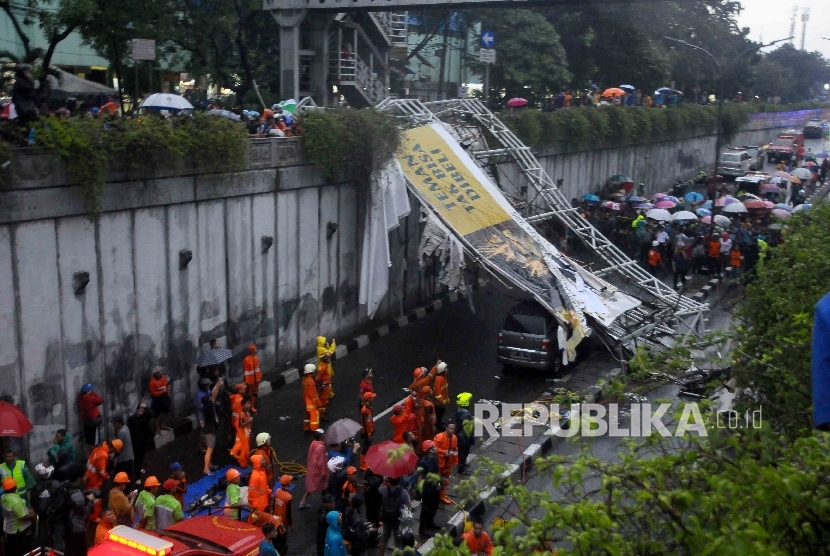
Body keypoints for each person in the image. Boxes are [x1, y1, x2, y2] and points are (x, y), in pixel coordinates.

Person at [377, 477, 411, 554]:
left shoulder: (385, 489)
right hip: (397, 519)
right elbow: (409, 506)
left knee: (384, 537)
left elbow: (379, 489)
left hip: (386, 517)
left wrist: (385, 481)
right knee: (398, 541)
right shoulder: (403, 492)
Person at [2, 476, 35, 554]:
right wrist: (33, 515)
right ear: (15, 487)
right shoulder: (15, 501)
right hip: (18, 531)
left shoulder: (4, 498)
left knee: (11, 550)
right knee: (21, 550)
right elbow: (22, 517)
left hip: (9, 529)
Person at [416, 441, 440, 538]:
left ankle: (430, 522)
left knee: (434, 506)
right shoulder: (423, 462)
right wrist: (421, 490)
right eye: (433, 447)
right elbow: (420, 477)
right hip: (427, 489)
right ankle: (423, 529)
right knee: (426, 509)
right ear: (429, 450)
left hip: (434, 487)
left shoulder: (435, 458)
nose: (435, 448)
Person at [300, 429, 329, 509]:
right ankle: (326, 503)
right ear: (321, 436)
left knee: (311, 486)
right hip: (319, 471)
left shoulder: (313, 444)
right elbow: (321, 461)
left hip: (312, 468)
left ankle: (303, 501)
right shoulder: (321, 447)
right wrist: (323, 473)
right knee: (325, 486)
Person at [199, 376, 223, 475]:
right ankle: (206, 469)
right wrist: (218, 383)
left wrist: (217, 384)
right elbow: (213, 394)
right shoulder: (208, 407)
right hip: (210, 432)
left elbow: (212, 394)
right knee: (209, 450)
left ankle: (209, 464)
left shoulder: (206, 406)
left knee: (210, 450)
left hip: (208, 430)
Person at [434, 423, 458, 505]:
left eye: (453, 428)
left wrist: (455, 461)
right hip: (439, 463)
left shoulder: (455, 438)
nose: (452, 430)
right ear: (446, 428)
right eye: (450, 428)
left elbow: (455, 449)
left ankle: (442, 496)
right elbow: (435, 448)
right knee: (436, 480)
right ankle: (434, 495)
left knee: (445, 481)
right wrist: (444, 452)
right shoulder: (439, 437)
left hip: (448, 464)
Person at [127, 403, 154, 476]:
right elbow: (129, 430)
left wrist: (146, 406)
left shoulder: (144, 417)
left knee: (142, 456)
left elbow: (151, 414)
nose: (141, 410)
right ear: (137, 409)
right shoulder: (131, 419)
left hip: (144, 440)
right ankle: (137, 475)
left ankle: (139, 468)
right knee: (137, 458)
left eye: (143, 409)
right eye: (140, 408)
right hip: (135, 442)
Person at [454, 392, 475, 474]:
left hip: (460, 435)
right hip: (464, 437)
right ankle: (461, 468)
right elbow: (467, 428)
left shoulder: (460, 411)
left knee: (462, 452)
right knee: (464, 452)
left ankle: (462, 464)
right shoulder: (466, 414)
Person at [77, 383, 104, 449]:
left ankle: (89, 458)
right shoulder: (90, 398)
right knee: (96, 442)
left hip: (86, 421)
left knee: (89, 442)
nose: (92, 390)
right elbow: (100, 400)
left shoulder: (80, 398)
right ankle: (96, 457)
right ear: (88, 391)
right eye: (91, 389)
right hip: (94, 421)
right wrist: (95, 394)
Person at [149, 367, 173, 435]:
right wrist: (161, 392)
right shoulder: (152, 382)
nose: (161, 372)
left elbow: (166, 385)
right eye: (160, 372)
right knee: (156, 414)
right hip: (157, 399)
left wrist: (167, 393)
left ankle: (162, 425)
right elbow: (153, 392)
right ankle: (157, 428)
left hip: (164, 397)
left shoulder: (164, 377)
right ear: (156, 374)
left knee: (166, 410)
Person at [230, 397, 253, 467]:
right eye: (247, 404)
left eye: (249, 403)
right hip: (242, 434)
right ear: (243, 405)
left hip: (247, 433)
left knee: (246, 450)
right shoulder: (242, 414)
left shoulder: (248, 412)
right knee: (244, 450)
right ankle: (242, 462)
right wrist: (249, 420)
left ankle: (243, 461)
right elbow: (240, 425)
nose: (249, 405)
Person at [243, 344, 263, 412]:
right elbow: (246, 371)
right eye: (254, 349)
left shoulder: (256, 358)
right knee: (250, 393)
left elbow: (258, 368)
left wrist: (259, 376)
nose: (256, 350)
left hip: (256, 379)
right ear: (251, 351)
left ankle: (252, 406)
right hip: (251, 380)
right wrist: (247, 380)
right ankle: (248, 406)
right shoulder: (246, 359)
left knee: (255, 392)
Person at [359, 392, 375, 471]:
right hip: (366, 432)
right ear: (368, 399)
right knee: (365, 447)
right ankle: (362, 465)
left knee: (368, 446)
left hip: (369, 430)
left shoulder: (369, 407)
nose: (373, 398)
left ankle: (366, 460)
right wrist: (368, 434)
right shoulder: (364, 410)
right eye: (372, 397)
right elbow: (365, 424)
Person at [303, 364, 322, 431]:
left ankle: (307, 427)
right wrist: (318, 403)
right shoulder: (310, 381)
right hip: (312, 403)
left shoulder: (305, 380)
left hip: (307, 401)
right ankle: (314, 429)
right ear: (311, 371)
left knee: (308, 415)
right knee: (314, 416)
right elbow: (313, 394)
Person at [432, 362, 449, 430]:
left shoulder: (444, 378)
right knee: (438, 415)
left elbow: (445, 391)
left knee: (440, 415)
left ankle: (440, 423)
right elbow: (438, 392)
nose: (447, 369)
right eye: (445, 368)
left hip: (443, 403)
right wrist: (441, 402)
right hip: (440, 404)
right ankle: (438, 426)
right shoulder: (439, 379)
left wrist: (447, 401)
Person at [317, 355, 333, 421]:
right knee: (323, 401)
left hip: (326, 385)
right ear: (324, 359)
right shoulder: (323, 367)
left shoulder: (325, 366)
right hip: (324, 386)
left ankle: (322, 412)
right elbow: (318, 378)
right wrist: (322, 384)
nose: (329, 359)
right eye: (328, 358)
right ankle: (322, 415)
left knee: (325, 400)